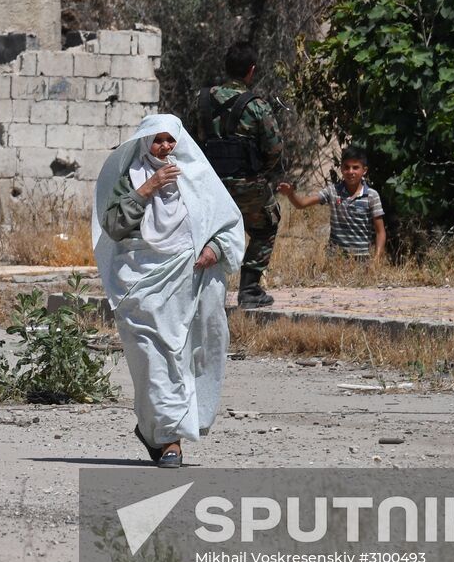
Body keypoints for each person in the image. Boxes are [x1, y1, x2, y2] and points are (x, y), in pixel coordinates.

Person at [92, 114, 245, 468]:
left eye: (169, 140)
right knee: (152, 359)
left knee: (189, 355)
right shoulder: (130, 176)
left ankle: (164, 435)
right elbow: (113, 226)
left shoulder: (196, 175)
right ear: (145, 142)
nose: (164, 147)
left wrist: (215, 248)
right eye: (157, 140)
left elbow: (227, 223)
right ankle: (167, 438)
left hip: (190, 282)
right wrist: (148, 188)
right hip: (141, 284)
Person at [197, 40, 285, 308]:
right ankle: (249, 289)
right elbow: (275, 148)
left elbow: (189, 141)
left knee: (204, 232)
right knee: (266, 225)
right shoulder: (257, 105)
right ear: (251, 70)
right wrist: (259, 174)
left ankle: (199, 289)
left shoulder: (201, 100)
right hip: (247, 184)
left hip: (208, 185)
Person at [277, 146, 387, 263]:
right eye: (346, 167)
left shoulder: (371, 195)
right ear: (341, 168)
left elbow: (380, 232)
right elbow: (301, 204)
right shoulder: (333, 191)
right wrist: (290, 194)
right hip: (335, 259)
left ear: (364, 170)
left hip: (361, 260)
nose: (350, 172)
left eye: (355, 168)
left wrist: (376, 261)